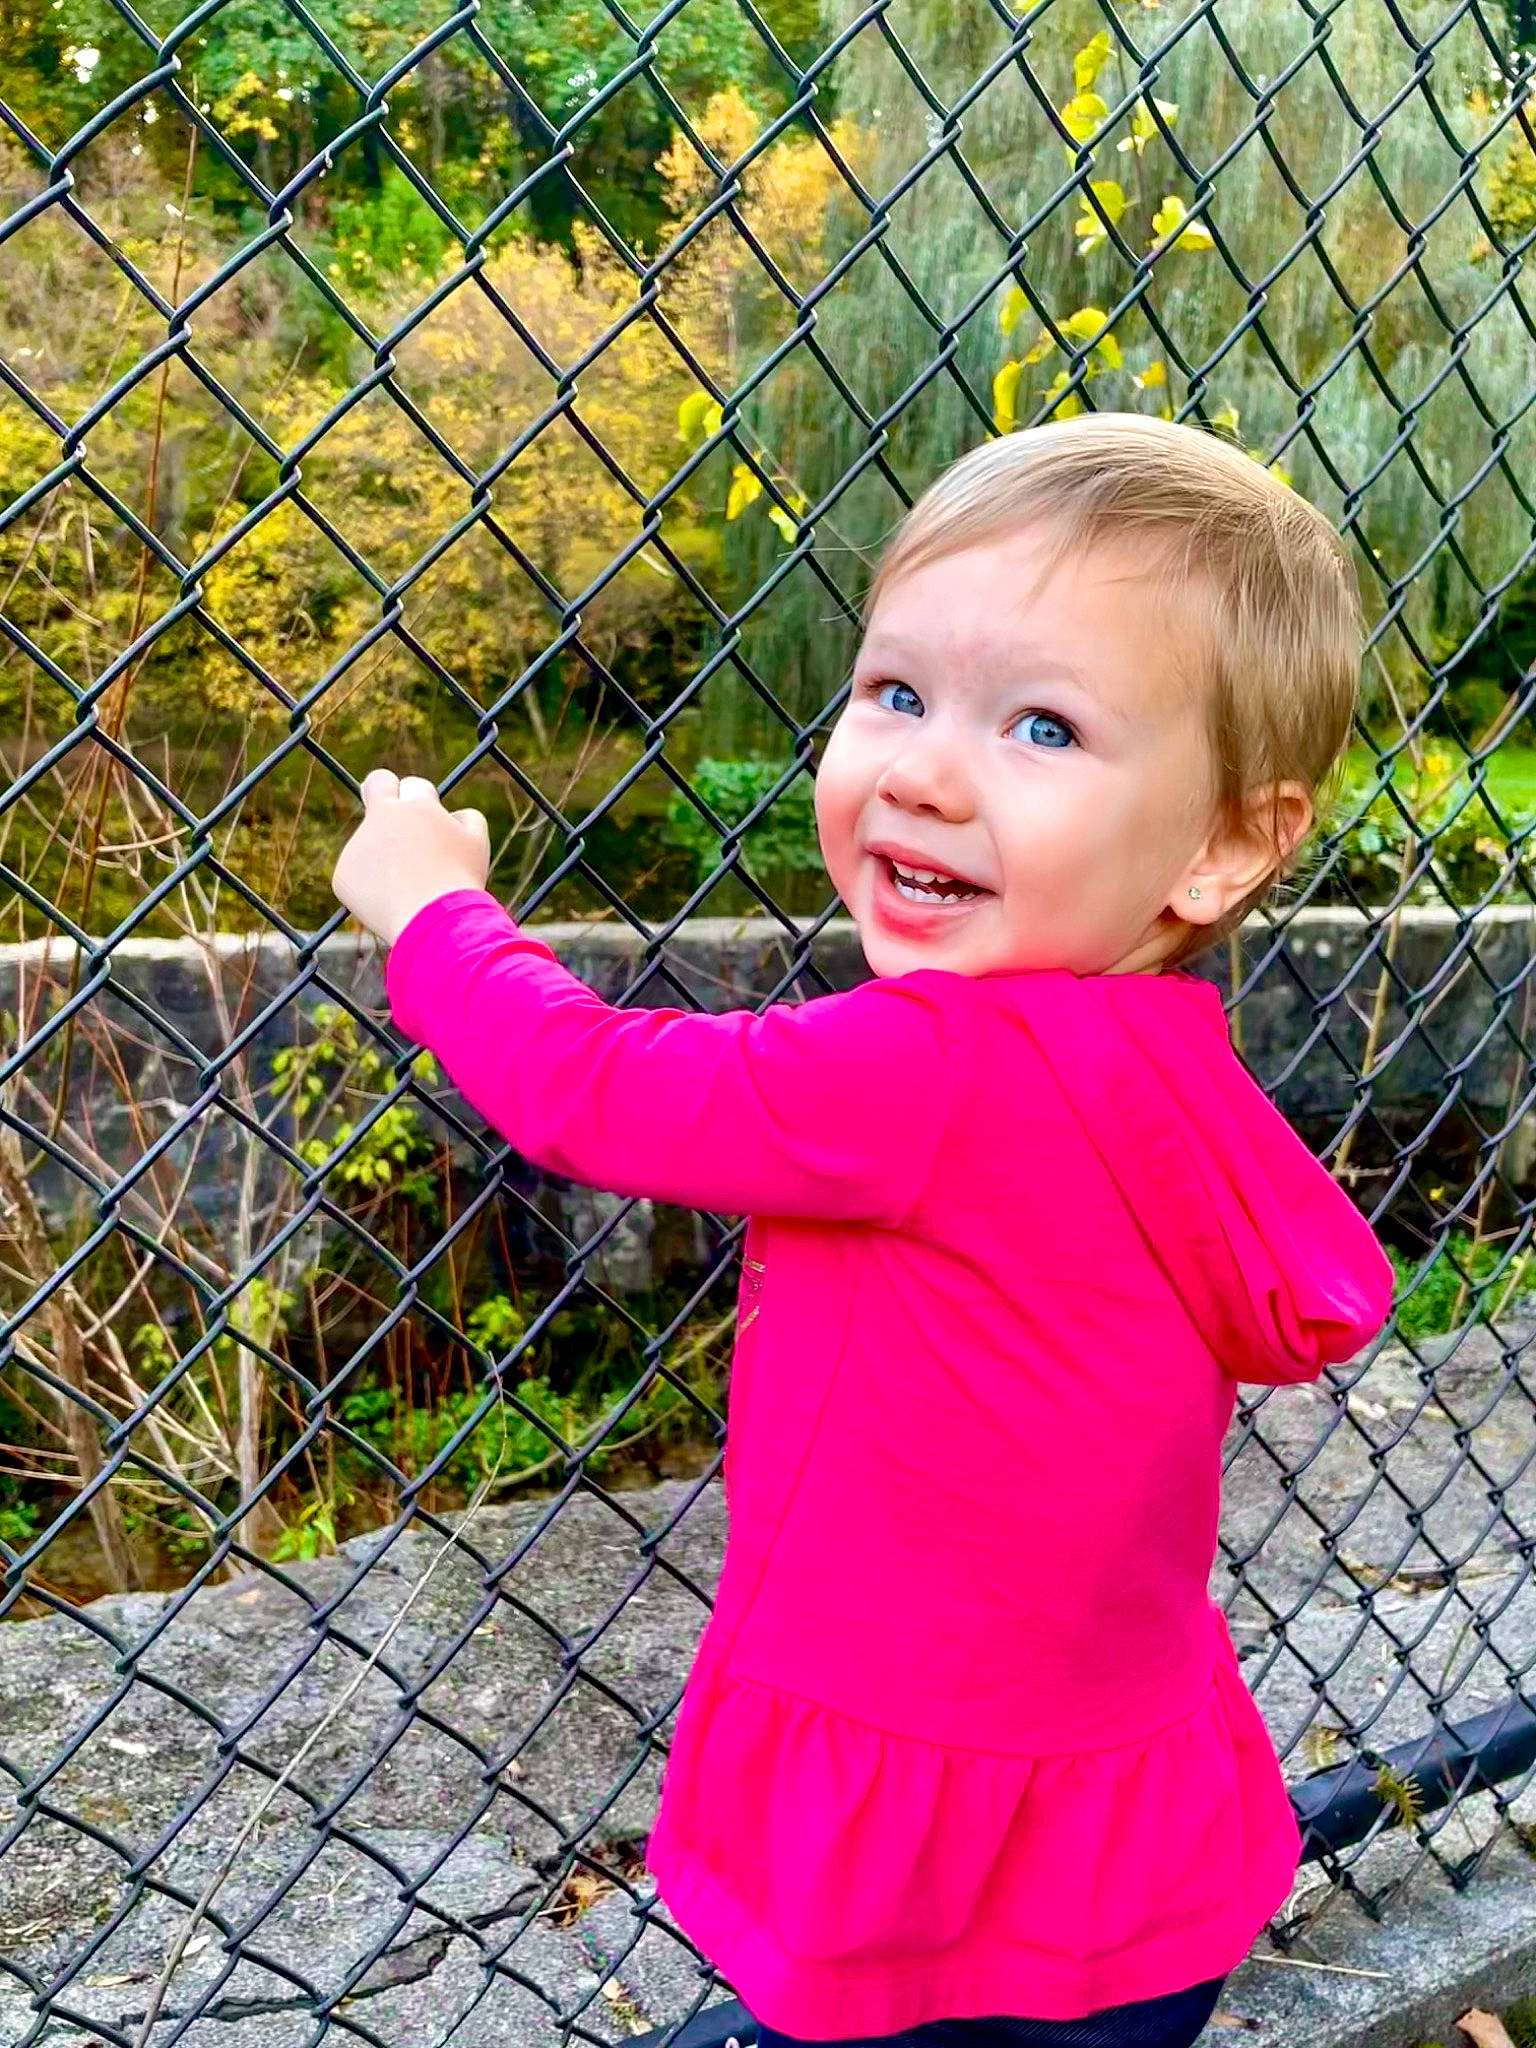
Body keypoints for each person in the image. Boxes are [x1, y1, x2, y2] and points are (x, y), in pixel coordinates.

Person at [332, 412, 1395, 2048]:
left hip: (931, 1883)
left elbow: (589, 1087)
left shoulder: (927, 1068)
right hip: (1138, 1854)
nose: (921, 768)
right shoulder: (1173, 1056)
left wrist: (433, 912)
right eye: (894, 693)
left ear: (1229, 842)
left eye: (1042, 725)